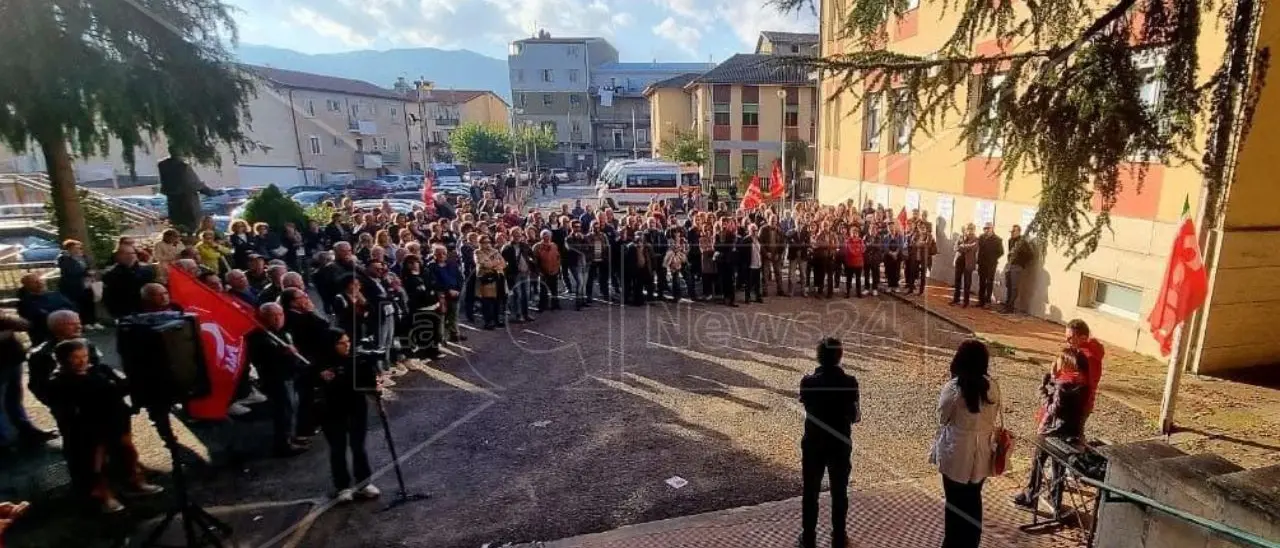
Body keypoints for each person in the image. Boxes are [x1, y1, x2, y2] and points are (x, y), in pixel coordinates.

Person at [45, 338, 163, 512]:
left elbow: (122, 387)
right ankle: (103, 496)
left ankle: (134, 483)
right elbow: (67, 408)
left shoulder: (100, 370)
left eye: (84, 356)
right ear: (64, 359)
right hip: (88, 428)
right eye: (75, 357)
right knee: (95, 464)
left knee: (127, 453)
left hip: (115, 420)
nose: (82, 361)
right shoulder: (59, 382)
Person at [932, 340, 1002, 548]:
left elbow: (943, 417)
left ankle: (952, 544)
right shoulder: (992, 387)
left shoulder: (954, 388)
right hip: (982, 452)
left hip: (956, 452)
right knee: (974, 499)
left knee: (954, 503)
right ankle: (972, 543)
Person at [798, 338, 860, 548]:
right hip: (840, 442)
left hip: (814, 442)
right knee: (839, 491)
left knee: (810, 491)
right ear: (839, 356)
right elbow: (855, 416)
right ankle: (839, 534)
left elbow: (806, 405)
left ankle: (808, 535)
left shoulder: (808, 381)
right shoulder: (850, 381)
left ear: (819, 356)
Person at [1014, 347, 1090, 518]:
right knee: (1058, 468)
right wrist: (1055, 379)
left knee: (1038, 462)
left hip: (1052, 432)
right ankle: (1056, 500)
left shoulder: (1064, 386)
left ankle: (1030, 495)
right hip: (1070, 433)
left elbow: (1054, 409)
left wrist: (1043, 392)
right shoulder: (1083, 384)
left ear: (1068, 364)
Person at [317, 328, 381, 502]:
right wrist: (321, 378)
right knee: (338, 449)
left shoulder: (358, 360)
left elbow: (369, 383)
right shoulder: (321, 363)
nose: (347, 345)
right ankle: (343, 486)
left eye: (348, 341)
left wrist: (375, 387)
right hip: (332, 411)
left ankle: (364, 483)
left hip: (356, 409)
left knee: (358, 447)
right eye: (342, 343)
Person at [247, 303, 309, 457]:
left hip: (289, 375)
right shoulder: (259, 337)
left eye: (280, 314)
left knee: (292, 408)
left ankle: (291, 436)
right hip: (275, 379)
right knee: (283, 411)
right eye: (272, 315)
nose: (277, 318)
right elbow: (262, 359)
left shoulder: (282, 332)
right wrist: (283, 353)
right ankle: (283, 444)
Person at [0, 313, 57, 450]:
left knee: (14, 399)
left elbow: (24, 324)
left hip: (12, 360)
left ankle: (26, 431)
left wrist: (6, 321)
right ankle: (5, 439)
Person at [16, 273, 76, 347]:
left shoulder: (56, 295)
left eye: (40, 280)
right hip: (46, 338)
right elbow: (40, 317)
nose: (40, 283)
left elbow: (72, 308)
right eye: (35, 282)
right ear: (27, 286)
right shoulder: (25, 303)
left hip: (69, 333)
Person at [101, 245, 156, 320]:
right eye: (125, 254)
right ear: (118, 256)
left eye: (132, 253)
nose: (130, 256)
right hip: (124, 311)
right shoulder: (111, 274)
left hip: (146, 309)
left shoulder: (147, 270)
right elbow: (108, 296)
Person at [1065, 319, 1105, 421]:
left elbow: (1077, 380)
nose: (1067, 341)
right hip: (1085, 402)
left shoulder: (1085, 356)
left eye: (1070, 338)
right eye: (1066, 337)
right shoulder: (1092, 352)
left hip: (1078, 403)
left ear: (1082, 338)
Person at [425, 245, 465, 343]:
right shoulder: (431, 266)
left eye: (444, 253)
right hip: (441, 294)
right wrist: (448, 290)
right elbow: (434, 282)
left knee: (454, 315)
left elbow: (460, 278)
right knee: (441, 317)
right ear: (434, 254)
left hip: (455, 293)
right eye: (438, 253)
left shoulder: (452, 264)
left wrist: (458, 290)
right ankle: (441, 338)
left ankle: (454, 334)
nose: (442, 255)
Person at [56, 240, 100, 328]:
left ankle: (93, 321)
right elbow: (71, 271)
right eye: (76, 248)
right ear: (69, 249)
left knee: (90, 301)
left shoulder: (82, 257)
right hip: (73, 285)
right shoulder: (63, 258)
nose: (78, 250)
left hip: (86, 283)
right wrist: (86, 273)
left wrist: (90, 272)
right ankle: (84, 322)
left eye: (79, 248)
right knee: (79, 303)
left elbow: (89, 265)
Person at [1003, 225, 1034, 313]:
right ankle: (1007, 305)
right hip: (1009, 265)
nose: (1012, 233)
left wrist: (1021, 263)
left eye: (1013, 231)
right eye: (1011, 232)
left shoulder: (1022, 242)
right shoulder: (1010, 240)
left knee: (1014, 287)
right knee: (1008, 285)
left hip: (1017, 266)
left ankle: (1010, 307)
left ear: (1018, 232)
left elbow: (1030, 255)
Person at [532, 230, 562, 311]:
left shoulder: (554, 245)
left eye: (548, 235)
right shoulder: (537, 246)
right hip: (543, 271)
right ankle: (542, 306)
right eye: (544, 235)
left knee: (554, 289)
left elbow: (558, 257)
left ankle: (555, 304)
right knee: (543, 290)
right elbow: (534, 260)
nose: (546, 237)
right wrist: (538, 271)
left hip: (554, 270)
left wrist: (557, 268)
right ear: (541, 236)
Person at [976, 223, 1004, 308]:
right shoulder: (981, 237)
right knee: (981, 282)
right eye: (985, 228)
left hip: (991, 264)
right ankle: (981, 301)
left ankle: (988, 301)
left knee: (989, 283)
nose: (986, 230)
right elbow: (979, 250)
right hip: (982, 263)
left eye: (988, 228)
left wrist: (993, 258)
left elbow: (1001, 252)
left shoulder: (997, 239)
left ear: (992, 229)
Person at [951, 224, 979, 307]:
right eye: (968, 229)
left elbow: (974, 247)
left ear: (974, 230)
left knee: (967, 283)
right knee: (957, 281)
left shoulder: (976, 239)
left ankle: (965, 302)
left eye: (971, 229)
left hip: (968, 263)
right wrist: (963, 246)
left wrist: (962, 246)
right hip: (959, 261)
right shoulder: (961, 237)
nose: (970, 230)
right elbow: (955, 247)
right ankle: (956, 299)